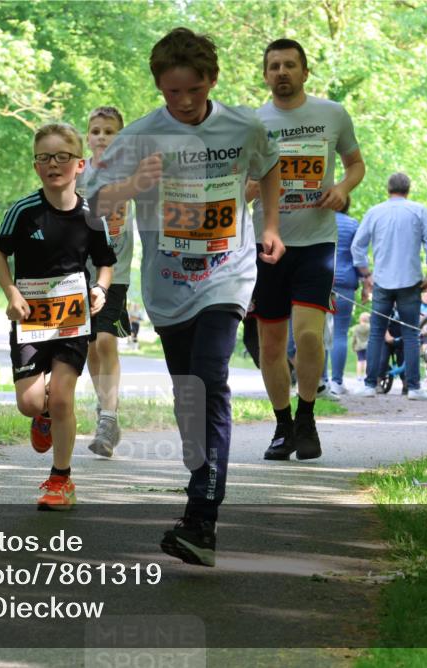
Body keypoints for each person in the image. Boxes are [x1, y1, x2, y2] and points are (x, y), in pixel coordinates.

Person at [89, 27, 284, 566]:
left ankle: (202, 516)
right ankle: (200, 484)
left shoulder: (242, 125)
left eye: (193, 91)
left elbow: (269, 168)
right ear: (159, 89)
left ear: (211, 81)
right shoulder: (141, 137)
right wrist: (131, 186)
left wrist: (270, 226)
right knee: (188, 395)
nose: (183, 103)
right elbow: (91, 202)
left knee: (208, 379)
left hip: (228, 273)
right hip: (168, 283)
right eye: (171, 93)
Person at [247, 38, 365, 461]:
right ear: (264, 74)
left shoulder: (332, 114)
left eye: (290, 65)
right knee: (272, 344)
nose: (282, 72)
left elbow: (356, 164)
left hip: (317, 241)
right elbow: (239, 186)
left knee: (310, 336)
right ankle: (282, 426)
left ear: (305, 72)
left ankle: (307, 417)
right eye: (274, 66)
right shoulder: (252, 122)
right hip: (268, 245)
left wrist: (341, 189)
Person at [0, 122, 116, 510]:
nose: (53, 164)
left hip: (72, 319)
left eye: (62, 157)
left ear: (80, 165)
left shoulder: (92, 217)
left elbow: (105, 262)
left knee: (62, 397)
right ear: (36, 167)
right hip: (30, 319)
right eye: (44, 158)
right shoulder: (24, 212)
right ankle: (41, 414)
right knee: (30, 402)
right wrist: (11, 293)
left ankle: (60, 480)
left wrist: (100, 288)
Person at [351, 172, 427, 401]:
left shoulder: (375, 212)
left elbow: (357, 246)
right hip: (410, 280)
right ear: (408, 189)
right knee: (411, 333)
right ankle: (414, 387)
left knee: (376, 332)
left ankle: (370, 384)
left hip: (382, 281)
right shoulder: (419, 210)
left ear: (388, 189)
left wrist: (366, 275)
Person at [79, 106, 134, 457]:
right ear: (87, 136)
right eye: (96, 131)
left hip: (116, 271)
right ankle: (105, 410)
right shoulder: (77, 171)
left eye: (109, 131)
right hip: (78, 272)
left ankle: (109, 417)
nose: (101, 137)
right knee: (89, 346)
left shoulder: (132, 172)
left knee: (106, 340)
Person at [329, 196, 360, 395]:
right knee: (339, 333)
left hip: (320, 279)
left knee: (319, 333)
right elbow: (358, 254)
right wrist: (365, 279)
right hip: (345, 282)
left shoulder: (319, 221)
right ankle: (337, 382)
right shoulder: (352, 224)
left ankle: (320, 380)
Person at [351, 312, 370, 381]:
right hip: (368, 346)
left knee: (360, 360)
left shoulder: (356, 328)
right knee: (366, 360)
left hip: (359, 347)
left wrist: (353, 346)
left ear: (360, 319)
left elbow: (354, 338)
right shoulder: (370, 327)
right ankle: (366, 374)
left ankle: (359, 376)